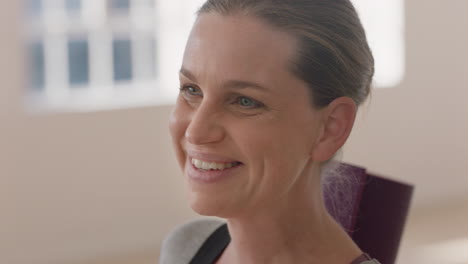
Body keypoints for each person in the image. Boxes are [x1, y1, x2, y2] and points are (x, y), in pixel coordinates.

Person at [161, 0, 378, 263]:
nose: (195, 132)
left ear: (330, 128)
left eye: (244, 101)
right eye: (191, 90)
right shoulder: (186, 248)